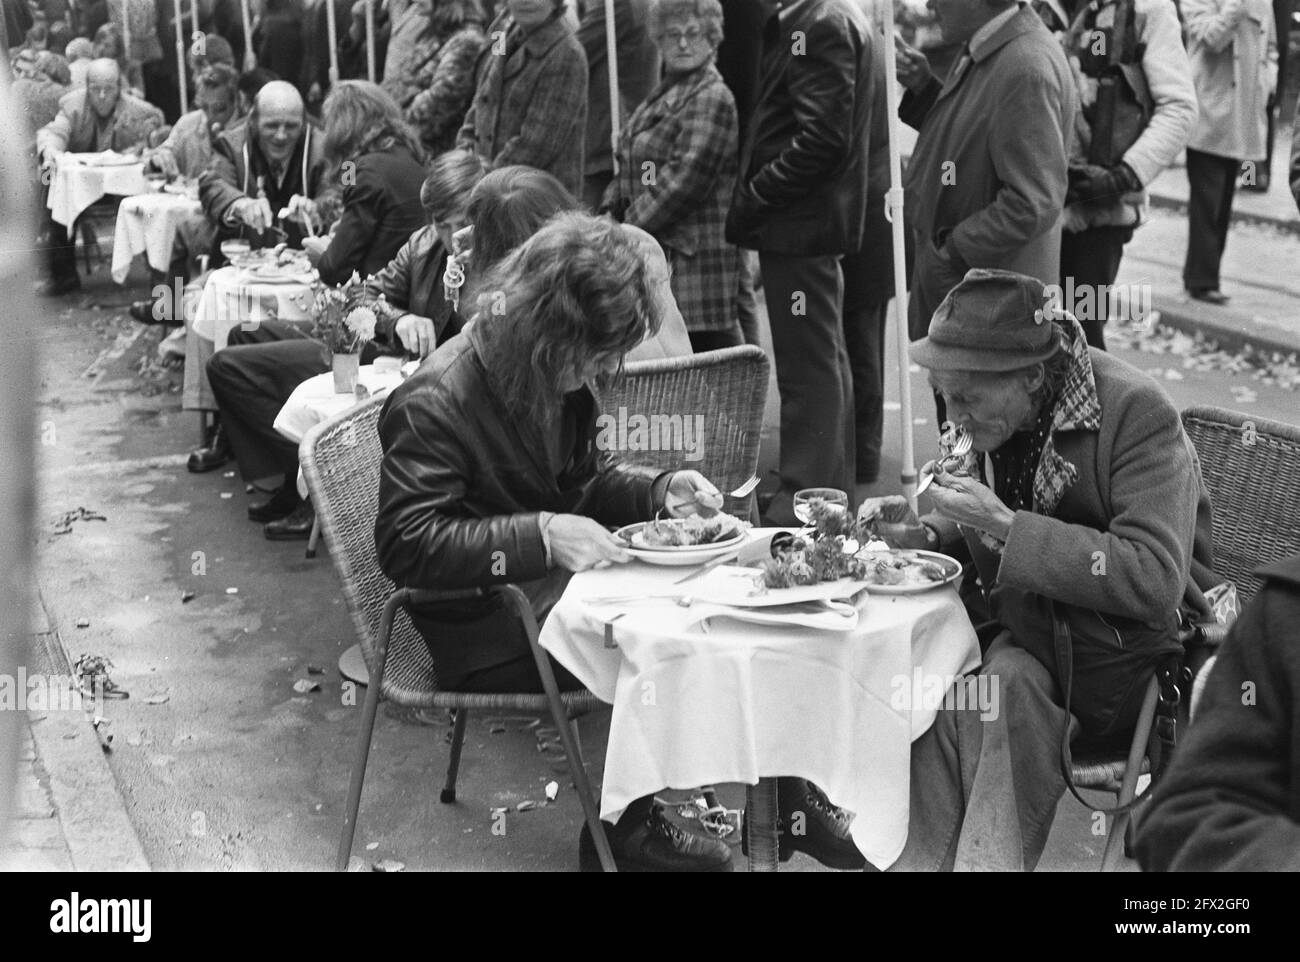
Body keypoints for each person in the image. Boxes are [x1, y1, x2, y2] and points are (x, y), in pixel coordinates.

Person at [374, 210, 734, 872]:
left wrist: (658, 490)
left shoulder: (547, 374)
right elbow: (405, 544)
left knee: (713, 598)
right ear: (549, 330)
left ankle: (693, 809)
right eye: (597, 354)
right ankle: (626, 833)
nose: (605, 368)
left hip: (542, 597)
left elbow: (584, 485)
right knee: (667, 634)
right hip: (479, 622)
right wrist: (541, 534)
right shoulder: (435, 398)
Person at [861, 268, 1218, 871]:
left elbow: (1155, 578)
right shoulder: (996, 415)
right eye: (944, 394)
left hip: (1127, 661)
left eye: (968, 397)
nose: (953, 416)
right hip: (1033, 640)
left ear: (1031, 377)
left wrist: (1004, 527)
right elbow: (992, 515)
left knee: (996, 694)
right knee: (937, 692)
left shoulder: (1137, 413)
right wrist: (928, 530)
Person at [204, 150, 488, 538]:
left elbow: (335, 266)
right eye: (442, 225)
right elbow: (360, 295)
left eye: (463, 224)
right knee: (241, 337)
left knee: (233, 363)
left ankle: (316, 490)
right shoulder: (423, 244)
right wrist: (398, 319)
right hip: (393, 368)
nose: (452, 238)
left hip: (449, 400)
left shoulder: (504, 257)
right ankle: (308, 483)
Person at [725, 0, 874, 524]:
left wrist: (760, 192)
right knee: (823, 358)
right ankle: (825, 491)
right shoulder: (825, 18)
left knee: (807, 367)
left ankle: (806, 494)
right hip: (805, 223)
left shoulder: (819, 22)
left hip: (798, 224)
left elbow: (823, 139)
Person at [893, 0, 1074, 381]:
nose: (928, 3)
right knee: (962, 434)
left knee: (971, 434)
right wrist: (926, 90)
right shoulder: (994, 48)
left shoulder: (1023, 65)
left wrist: (951, 250)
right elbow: (972, 140)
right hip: (974, 308)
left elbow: (1032, 202)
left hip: (988, 319)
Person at [1134, 554, 1300, 871]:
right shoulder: (1287, 612)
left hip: (1134, 663)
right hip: (1077, 655)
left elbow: (1154, 573)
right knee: (1013, 679)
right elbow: (1184, 822)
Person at [1050, 0, 1196, 350]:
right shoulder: (1039, 7)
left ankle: (1094, 405)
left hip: (1097, 218)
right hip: (1032, 206)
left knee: (1082, 341)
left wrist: (1123, 176)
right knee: (1028, 341)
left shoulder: (1148, 10)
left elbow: (1179, 108)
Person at [601, 0, 739, 352]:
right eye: (672, 34)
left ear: (712, 37)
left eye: (692, 34)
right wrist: (607, 211)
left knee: (702, 370)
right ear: (658, 39)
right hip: (659, 256)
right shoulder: (666, 90)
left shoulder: (712, 96)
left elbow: (682, 183)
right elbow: (631, 161)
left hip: (692, 263)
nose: (681, 43)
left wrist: (621, 231)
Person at [35, 57, 164, 295]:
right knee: (51, 187)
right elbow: (54, 132)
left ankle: (158, 272)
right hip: (80, 186)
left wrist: (147, 142)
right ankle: (63, 276)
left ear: (119, 88)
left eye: (109, 89)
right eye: (96, 89)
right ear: (87, 88)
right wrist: (52, 151)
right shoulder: (73, 106)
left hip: (125, 185)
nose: (102, 96)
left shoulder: (137, 109)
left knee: (154, 195)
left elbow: (158, 128)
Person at [1181, 0, 1278, 305]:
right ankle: (1201, 280)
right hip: (1209, 113)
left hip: (1242, 117)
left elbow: (1270, 46)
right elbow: (1211, 38)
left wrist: (1267, 79)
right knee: (1207, 204)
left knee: (1222, 204)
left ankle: (1205, 277)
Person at [455, 0, 588, 197]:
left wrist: (479, 184)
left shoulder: (567, 54)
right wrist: (463, 159)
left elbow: (535, 147)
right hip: (489, 190)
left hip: (535, 203)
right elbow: (482, 99)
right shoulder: (502, 33)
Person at [300, 80, 426, 284]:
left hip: (379, 292)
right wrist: (337, 223)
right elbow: (344, 197)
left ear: (341, 127)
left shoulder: (363, 169)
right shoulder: (402, 155)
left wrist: (322, 255)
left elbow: (333, 270)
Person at [197, 79, 331, 266]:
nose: (281, 135)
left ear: (303, 124)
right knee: (187, 293)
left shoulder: (324, 147)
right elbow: (212, 184)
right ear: (253, 121)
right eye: (272, 125)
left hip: (307, 270)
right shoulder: (230, 144)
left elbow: (342, 189)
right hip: (239, 269)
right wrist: (239, 204)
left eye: (291, 126)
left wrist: (317, 208)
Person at [576, 0, 658, 210]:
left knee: (593, 222)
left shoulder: (616, 6)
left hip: (609, 133)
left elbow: (572, 55)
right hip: (624, 126)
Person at [403, 0, 486, 156]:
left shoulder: (467, 40)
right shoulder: (432, 32)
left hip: (439, 150)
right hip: (417, 142)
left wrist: (398, 128)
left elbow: (442, 101)